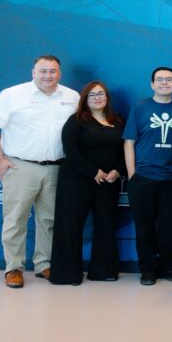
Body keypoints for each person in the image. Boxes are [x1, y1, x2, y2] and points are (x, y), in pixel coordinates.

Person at [0, 55, 80, 288]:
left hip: (57, 168)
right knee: (16, 219)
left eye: (53, 71)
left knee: (50, 220)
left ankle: (44, 264)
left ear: (60, 73)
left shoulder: (72, 96)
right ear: (33, 72)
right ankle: (13, 268)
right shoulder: (13, 94)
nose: (48, 76)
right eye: (43, 71)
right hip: (20, 166)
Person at [49, 81, 125, 285]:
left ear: (107, 97)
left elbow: (125, 151)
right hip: (76, 180)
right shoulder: (76, 121)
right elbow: (70, 150)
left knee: (106, 225)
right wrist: (94, 172)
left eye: (101, 94)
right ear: (85, 99)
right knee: (70, 226)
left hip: (109, 182)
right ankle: (66, 274)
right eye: (92, 95)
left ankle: (103, 271)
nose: (97, 98)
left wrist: (118, 170)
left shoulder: (118, 121)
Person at [123, 67, 172, 285]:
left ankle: (170, 268)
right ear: (152, 84)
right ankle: (147, 271)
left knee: (168, 227)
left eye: (169, 79)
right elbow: (129, 143)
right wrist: (133, 175)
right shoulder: (140, 107)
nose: (164, 83)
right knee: (144, 228)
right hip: (143, 178)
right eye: (159, 80)